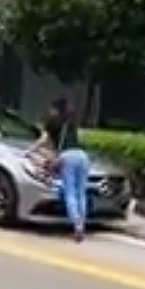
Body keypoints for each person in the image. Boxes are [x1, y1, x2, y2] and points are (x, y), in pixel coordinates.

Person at [30, 98, 91, 241]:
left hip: (67, 156)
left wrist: (31, 150)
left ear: (55, 109)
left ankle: (77, 226)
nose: (50, 111)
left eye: (51, 109)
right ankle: (81, 224)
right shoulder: (71, 122)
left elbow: (43, 140)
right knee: (81, 192)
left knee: (70, 193)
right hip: (82, 156)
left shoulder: (52, 122)